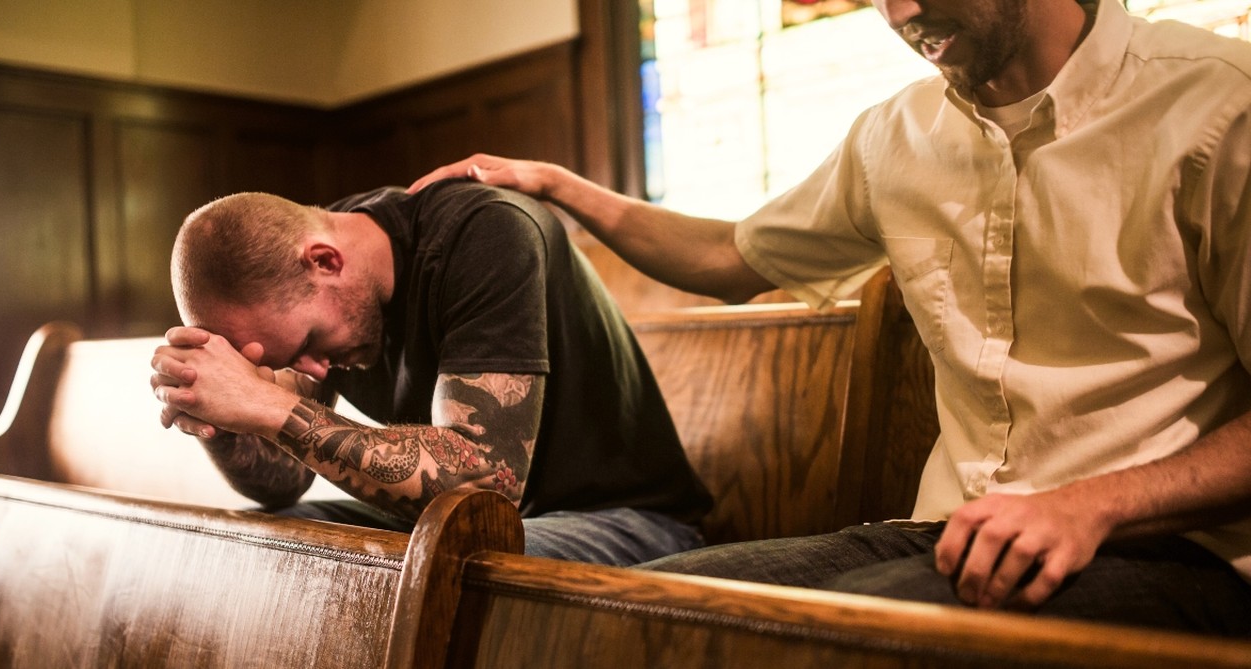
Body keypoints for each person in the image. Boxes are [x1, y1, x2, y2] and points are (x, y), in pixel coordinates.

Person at [406, 0, 1251, 635]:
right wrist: (560, 187)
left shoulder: (1216, 104)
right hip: (943, 531)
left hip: (1175, 553)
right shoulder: (897, 137)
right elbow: (731, 257)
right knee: (647, 609)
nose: (900, 13)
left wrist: (1088, 505)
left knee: (829, 641)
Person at [149, 180, 713, 566]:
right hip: (490, 524)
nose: (312, 371)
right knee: (260, 536)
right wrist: (216, 416)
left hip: (633, 520)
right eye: (283, 365)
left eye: (310, 344)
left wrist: (266, 405)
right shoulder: (316, 275)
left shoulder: (488, 234)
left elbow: (486, 483)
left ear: (326, 261)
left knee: (451, 557)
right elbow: (280, 484)